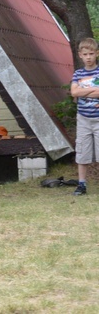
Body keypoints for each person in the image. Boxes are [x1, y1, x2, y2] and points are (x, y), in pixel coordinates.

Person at [70, 37, 99, 196]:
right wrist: (92, 91)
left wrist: (83, 91)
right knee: (82, 152)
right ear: (80, 55)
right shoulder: (78, 73)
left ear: (97, 54)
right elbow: (74, 92)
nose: (88, 57)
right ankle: (82, 184)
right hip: (83, 119)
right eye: (85, 54)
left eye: (91, 53)